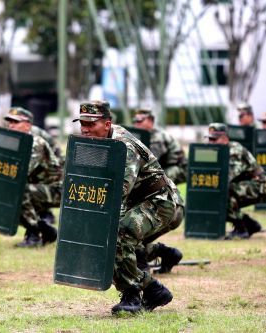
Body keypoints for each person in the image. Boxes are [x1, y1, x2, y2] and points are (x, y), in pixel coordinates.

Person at [73, 100, 184, 314]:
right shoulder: (97, 142)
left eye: (91, 124)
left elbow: (118, 192)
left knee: (119, 233)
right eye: (82, 124)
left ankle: (133, 295)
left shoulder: (124, 146)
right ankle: (151, 290)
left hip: (159, 201)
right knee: (112, 237)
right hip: (138, 201)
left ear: (107, 124)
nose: (85, 129)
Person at [4, 107, 61, 247]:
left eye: (16, 122)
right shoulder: (13, 143)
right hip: (37, 187)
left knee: (17, 191)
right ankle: (45, 230)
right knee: (6, 192)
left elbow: (21, 171)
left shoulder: (35, 143)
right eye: (9, 121)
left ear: (28, 125)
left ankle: (34, 235)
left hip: (57, 190)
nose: (11, 125)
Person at [207, 123, 266, 239]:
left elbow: (226, 178)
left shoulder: (234, 150)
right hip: (247, 184)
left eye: (214, 139)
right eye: (209, 139)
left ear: (225, 139)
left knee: (224, 192)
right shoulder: (218, 152)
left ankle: (241, 229)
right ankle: (250, 224)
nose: (210, 143)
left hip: (260, 184)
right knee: (217, 194)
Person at [132, 109, 187, 185]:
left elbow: (150, 160)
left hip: (177, 168)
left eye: (140, 121)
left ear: (150, 121)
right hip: (163, 167)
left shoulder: (158, 137)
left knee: (155, 182)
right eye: (135, 121)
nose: (136, 124)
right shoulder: (144, 136)